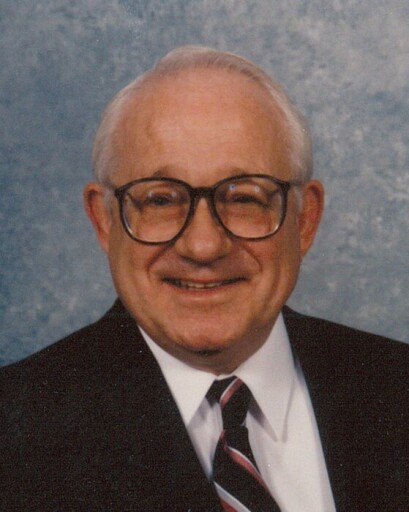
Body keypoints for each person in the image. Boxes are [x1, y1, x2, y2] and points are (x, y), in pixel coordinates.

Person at [0, 46, 407, 512]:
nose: (204, 246)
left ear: (304, 219)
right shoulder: (14, 433)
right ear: (105, 222)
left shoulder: (394, 389)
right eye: (160, 200)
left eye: (244, 198)